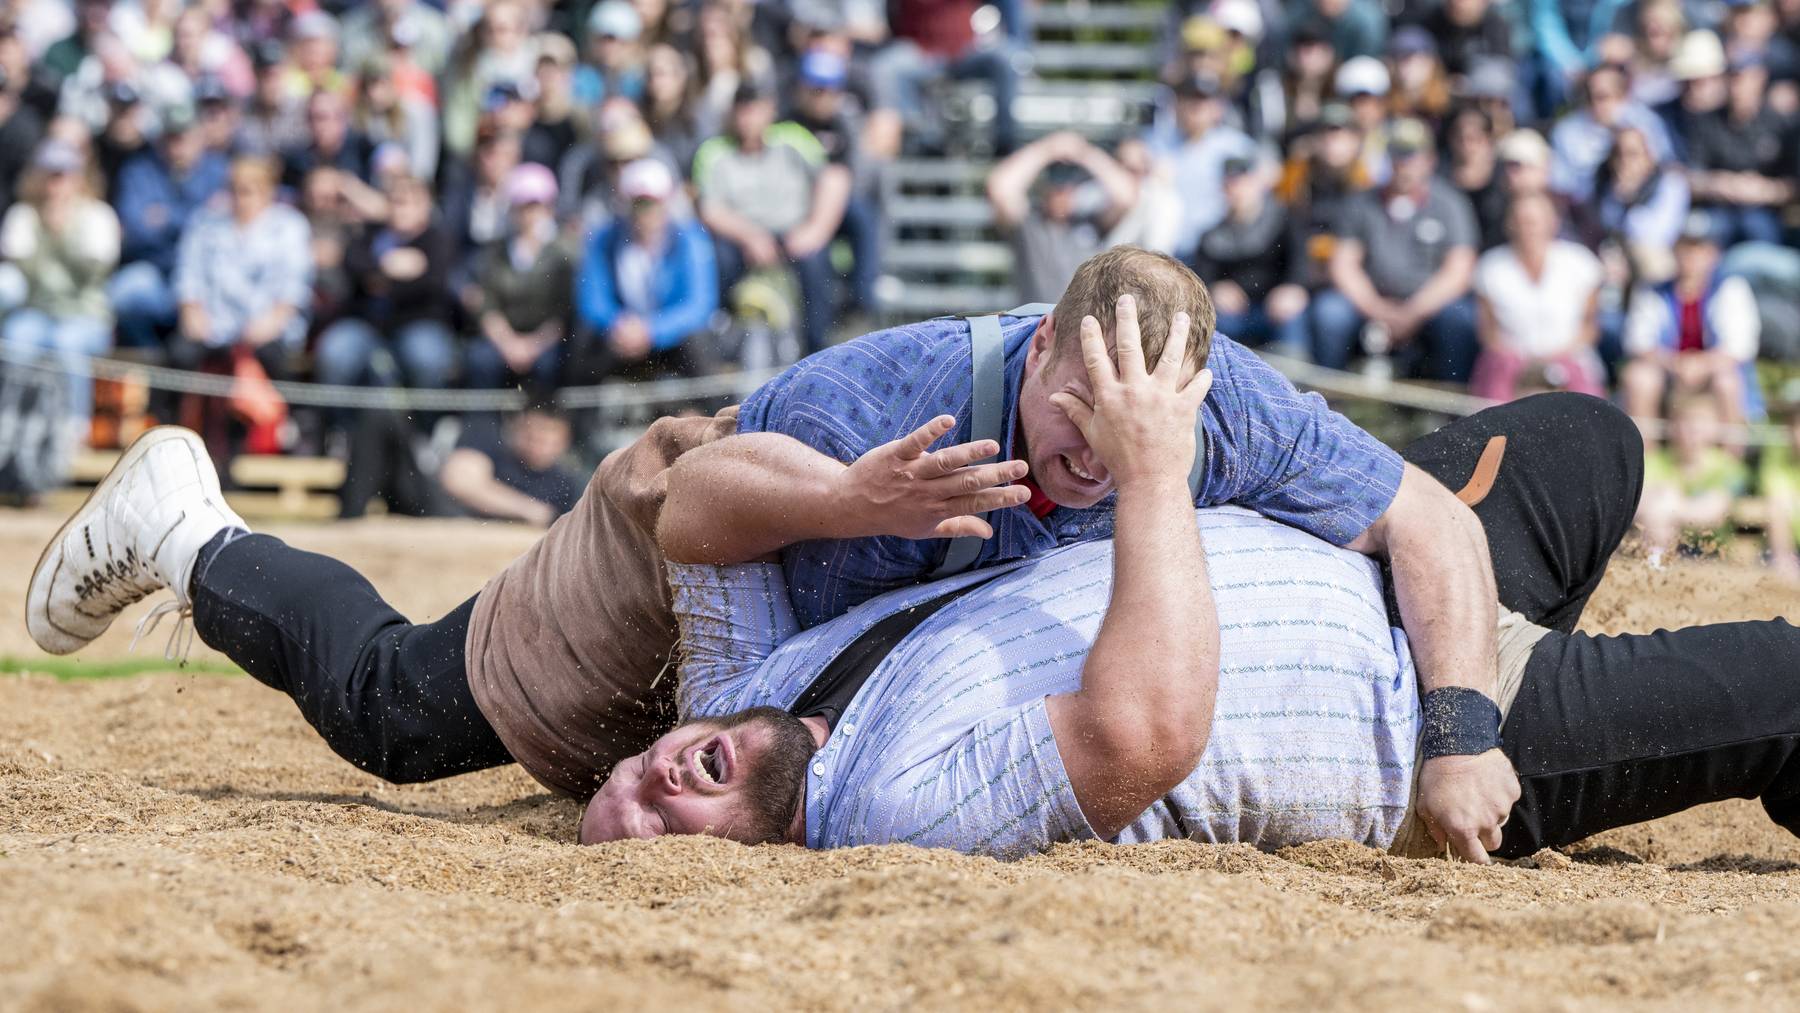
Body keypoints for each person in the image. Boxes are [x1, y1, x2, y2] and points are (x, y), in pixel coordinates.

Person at [585, 360, 1800, 867]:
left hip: (1390, 581)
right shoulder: (892, 809)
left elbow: (691, 504)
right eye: (652, 818)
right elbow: (1142, 733)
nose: (650, 775)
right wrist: (1158, 468)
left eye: (626, 776)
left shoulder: (750, 697)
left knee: (1590, 436)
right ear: (722, 872)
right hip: (1409, 729)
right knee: (1788, 685)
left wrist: (848, 497)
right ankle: (1559, 741)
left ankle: (1546, 659)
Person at [1309, 117, 1481, 380]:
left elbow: (1459, 270)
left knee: (1460, 318)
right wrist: (1377, 308)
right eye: (1397, 153)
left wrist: (1412, 312)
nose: (1404, 163)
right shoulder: (1361, 202)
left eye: (1412, 154)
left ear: (1430, 159)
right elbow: (1343, 264)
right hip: (1372, 300)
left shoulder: (1450, 203)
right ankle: (1330, 400)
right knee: (1329, 312)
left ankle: (1452, 406)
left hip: (1428, 305)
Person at [693, 81, 844, 354]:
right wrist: (751, 236)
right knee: (716, 256)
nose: (749, 118)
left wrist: (815, 229)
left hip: (794, 233)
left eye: (756, 109)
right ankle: (718, 334)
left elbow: (834, 178)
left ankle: (818, 346)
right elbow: (710, 209)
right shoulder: (715, 151)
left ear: (771, 111)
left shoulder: (794, 140)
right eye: (744, 110)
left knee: (816, 259)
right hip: (739, 238)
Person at [0, 139, 119, 443]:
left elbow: (93, 271)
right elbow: (21, 271)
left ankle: (73, 427)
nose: (56, 183)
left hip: (86, 316)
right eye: (50, 174)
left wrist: (61, 234)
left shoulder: (98, 216)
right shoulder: (23, 215)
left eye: (63, 174)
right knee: (16, 336)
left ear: (78, 177)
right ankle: (11, 422)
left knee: (66, 342)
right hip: (37, 312)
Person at [312, 173, 457, 399]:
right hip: (366, 323)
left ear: (425, 206)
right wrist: (390, 265)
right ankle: (338, 427)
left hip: (418, 322)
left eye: (408, 202)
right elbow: (351, 263)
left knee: (427, 359)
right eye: (396, 201)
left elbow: (433, 283)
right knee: (334, 353)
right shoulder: (372, 233)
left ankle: (428, 429)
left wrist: (380, 280)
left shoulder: (437, 238)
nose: (402, 209)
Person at [1620, 211, 1763, 439]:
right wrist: (1677, 364)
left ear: (1713, 254)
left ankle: (1732, 461)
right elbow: (1637, 342)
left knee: (1727, 381)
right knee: (1639, 378)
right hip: (1668, 372)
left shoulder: (1730, 288)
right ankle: (1645, 457)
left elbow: (1740, 346)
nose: (1691, 256)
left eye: (1699, 248)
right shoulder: (1652, 290)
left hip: (1711, 373)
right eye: (1685, 247)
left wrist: (1700, 365)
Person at [573, 158, 718, 381]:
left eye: (654, 202)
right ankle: (580, 414)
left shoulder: (691, 239)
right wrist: (618, 324)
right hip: (621, 336)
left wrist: (652, 330)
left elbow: (699, 304)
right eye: (639, 203)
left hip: (671, 339)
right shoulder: (604, 240)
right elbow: (592, 300)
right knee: (584, 337)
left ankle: (710, 410)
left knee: (698, 341)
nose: (647, 211)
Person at [169, 153, 312, 379]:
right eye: (233, 190)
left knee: (275, 360)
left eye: (247, 191)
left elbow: (293, 288)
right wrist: (191, 310)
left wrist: (270, 323)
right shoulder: (205, 221)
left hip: (268, 328)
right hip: (214, 325)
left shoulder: (290, 226)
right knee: (181, 354)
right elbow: (188, 273)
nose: (238, 198)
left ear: (268, 192)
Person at [109, 107, 228, 352]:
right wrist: (192, 216)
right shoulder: (139, 170)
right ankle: (153, 359)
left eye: (184, 136)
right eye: (171, 137)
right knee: (124, 293)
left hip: (207, 278)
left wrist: (166, 217)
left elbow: (219, 228)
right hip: (157, 271)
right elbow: (136, 231)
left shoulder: (219, 171)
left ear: (200, 137)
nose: (178, 145)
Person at [1470, 192, 1606, 401]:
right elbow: (1488, 331)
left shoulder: (1580, 263)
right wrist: (1521, 360)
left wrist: (1555, 357)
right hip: (1510, 362)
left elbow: (1590, 327)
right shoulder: (1490, 267)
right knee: (1498, 375)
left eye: (1534, 222)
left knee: (1584, 399)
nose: (1527, 228)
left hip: (1568, 357)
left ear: (1552, 223)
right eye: (1520, 221)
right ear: (1509, 224)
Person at [985, 131, 1137, 306]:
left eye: (1067, 186)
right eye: (1056, 187)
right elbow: (999, 188)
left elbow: (1126, 196)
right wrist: (1047, 149)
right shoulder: (1029, 224)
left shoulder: (1092, 222)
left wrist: (1084, 153)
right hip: (1038, 324)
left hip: (1083, 323)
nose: (1061, 193)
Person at [465, 163, 575, 392]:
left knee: (552, 365)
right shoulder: (496, 252)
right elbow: (488, 304)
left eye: (535, 206)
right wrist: (509, 344)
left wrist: (534, 346)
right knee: (480, 360)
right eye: (522, 206)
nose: (529, 214)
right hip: (504, 341)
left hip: (547, 343)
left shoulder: (565, 253)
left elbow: (564, 312)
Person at [1188, 156, 1306, 352]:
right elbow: (1202, 276)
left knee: (1292, 318)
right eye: (1231, 184)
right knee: (1216, 326)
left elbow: (1300, 262)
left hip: (1276, 308)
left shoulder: (1284, 221)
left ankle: (1297, 378)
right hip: (1235, 313)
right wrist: (1215, 289)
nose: (1238, 190)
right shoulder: (1212, 236)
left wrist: (1293, 288)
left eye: (1244, 182)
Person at [1152, 73, 1263, 261]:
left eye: (1204, 99)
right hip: (1164, 249)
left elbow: (1267, 178)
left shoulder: (1236, 147)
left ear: (1218, 107)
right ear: (1177, 104)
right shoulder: (1155, 142)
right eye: (1191, 98)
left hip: (1218, 249)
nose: (1197, 106)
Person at [1635, 390, 1748, 562]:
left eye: (1701, 422)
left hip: (1713, 554)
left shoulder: (1727, 467)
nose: (1693, 430)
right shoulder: (1655, 461)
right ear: (1673, 426)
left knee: (1662, 503)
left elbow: (1715, 513)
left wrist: (1670, 507)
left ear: (1716, 427)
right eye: (1686, 422)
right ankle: (1657, 562)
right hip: (1661, 540)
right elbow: (1638, 505)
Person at [438, 406, 585, 526]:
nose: (538, 448)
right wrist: (530, 510)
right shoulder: (490, 440)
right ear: (517, 429)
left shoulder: (567, 483)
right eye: (531, 438)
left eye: (547, 442)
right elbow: (458, 482)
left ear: (564, 442)